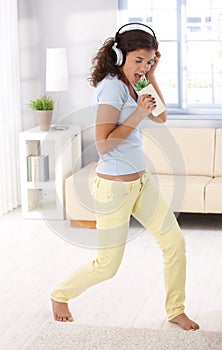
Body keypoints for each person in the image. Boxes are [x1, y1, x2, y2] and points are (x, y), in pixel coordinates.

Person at [51, 23, 199, 331]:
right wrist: (138, 114)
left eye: (149, 61)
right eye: (138, 61)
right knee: (107, 266)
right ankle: (60, 294)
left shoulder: (138, 81)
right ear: (120, 56)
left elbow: (161, 115)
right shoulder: (111, 87)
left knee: (174, 243)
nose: (142, 67)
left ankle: (175, 309)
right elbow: (104, 144)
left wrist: (151, 77)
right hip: (113, 190)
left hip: (142, 183)